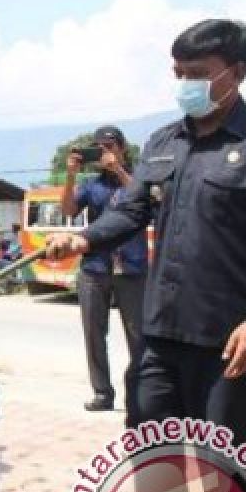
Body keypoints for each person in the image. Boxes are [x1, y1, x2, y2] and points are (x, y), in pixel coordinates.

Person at [46, 19, 246, 456]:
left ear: (236, 72)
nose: (185, 85)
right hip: (161, 335)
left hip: (231, 342)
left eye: (197, 74)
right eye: (179, 74)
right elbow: (131, 209)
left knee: (224, 477)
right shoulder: (164, 142)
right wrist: (84, 239)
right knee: (150, 461)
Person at [60, 125, 147, 415]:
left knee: (138, 336)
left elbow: (146, 199)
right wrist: (71, 174)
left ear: (122, 149)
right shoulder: (91, 184)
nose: (105, 152)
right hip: (95, 266)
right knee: (94, 333)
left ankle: (139, 396)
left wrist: (120, 171)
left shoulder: (138, 178)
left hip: (131, 267)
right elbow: (69, 210)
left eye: (111, 147)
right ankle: (102, 393)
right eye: (100, 148)